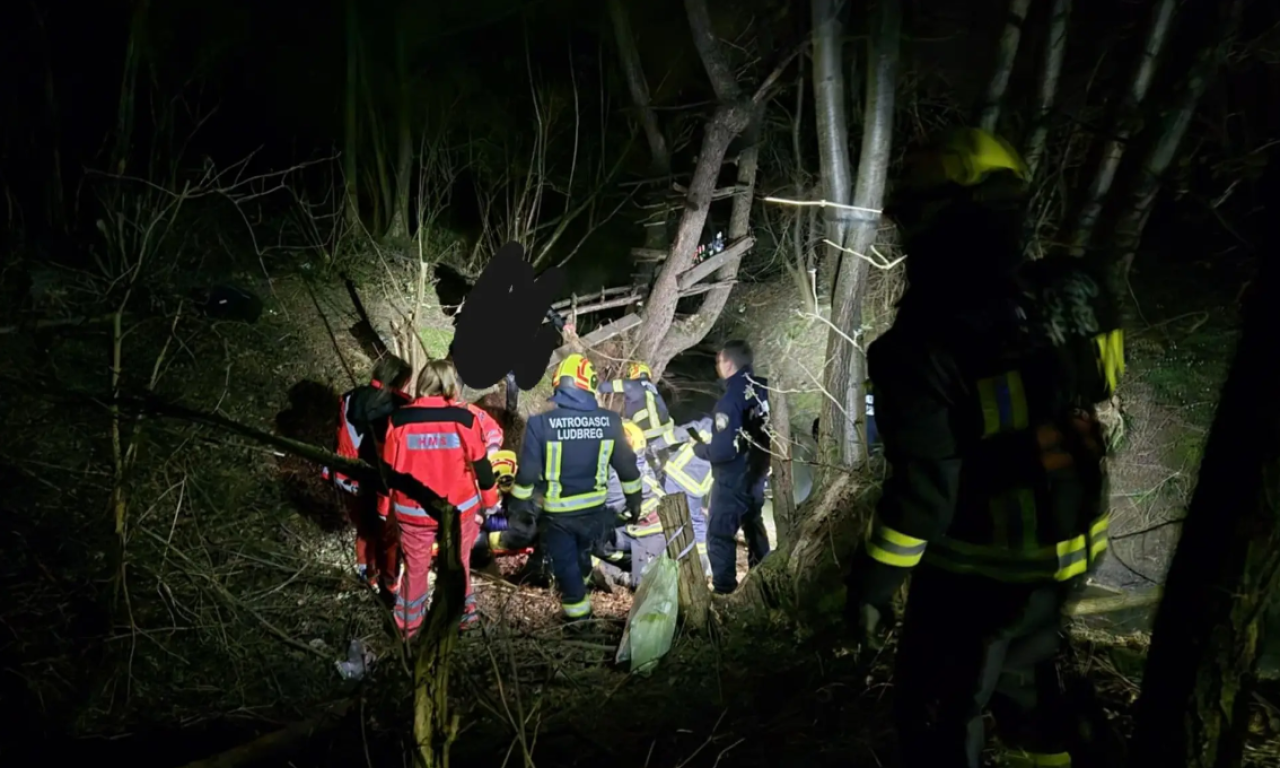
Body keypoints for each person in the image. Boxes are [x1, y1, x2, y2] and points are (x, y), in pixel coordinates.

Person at [840, 127, 1123, 768]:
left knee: (937, 716)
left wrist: (873, 588)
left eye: (914, 214)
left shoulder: (918, 346)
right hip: (1071, 553)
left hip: (978, 568)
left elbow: (923, 497)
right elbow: (1099, 392)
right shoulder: (1067, 293)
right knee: (1025, 689)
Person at [509, 353, 643, 621]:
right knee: (581, 559)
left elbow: (528, 475)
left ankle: (579, 621)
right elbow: (628, 470)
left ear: (559, 386)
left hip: (558, 517)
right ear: (589, 384)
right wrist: (634, 502)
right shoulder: (611, 422)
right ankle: (580, 590)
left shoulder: (540, 424)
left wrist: (518, 508)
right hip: (595, 513)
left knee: (568, 569)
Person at [379, 359, 500, 637]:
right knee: (459, 563)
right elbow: (481, 467)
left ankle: (408, 627)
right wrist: (491, 503)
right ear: (450, 385)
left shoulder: (398, 420)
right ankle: (465, 617)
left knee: (416, 569)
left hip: (413, 512)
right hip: (460, 510)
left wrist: (384, 509)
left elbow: (387, 472)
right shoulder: (464, 419)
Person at [328, 354, 413, 589]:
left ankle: (367, 573)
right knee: (389, 536)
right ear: (400, 382)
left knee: (364, 528)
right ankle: (390, 583)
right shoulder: (399, 408)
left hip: (347, 475)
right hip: (381, 481)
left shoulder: (348, 397)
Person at [696, 340, 771, 595]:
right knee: (754, 526)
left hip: (732, 479)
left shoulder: (729, 401)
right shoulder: (765, 390)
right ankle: (764, 582)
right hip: (758, 475)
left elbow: (723, 451)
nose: (718, 367)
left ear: (728, 363)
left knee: (719, 534)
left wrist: (701, 449)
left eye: (719, 362)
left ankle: (725, 592)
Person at [593, 421, 666, 589]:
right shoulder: (638, 461)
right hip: (639, 529)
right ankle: (618, 568)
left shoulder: (617, 476)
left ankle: (615, 574)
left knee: (643, 585)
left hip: (651, 534)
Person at [597, 362, 678, 466]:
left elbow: (625, 385)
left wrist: (599, 388)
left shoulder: (635, 386)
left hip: (647, 438)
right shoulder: (653, 390)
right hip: (665, 438)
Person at [662, 416, 715, 575]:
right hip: (697, 485)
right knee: (696, 520)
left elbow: (679, 433)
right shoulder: (736, 438)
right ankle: (704, 563)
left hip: (676, 474)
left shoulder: (708, 424)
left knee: (665, 514)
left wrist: (655, 444)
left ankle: (667, 555)